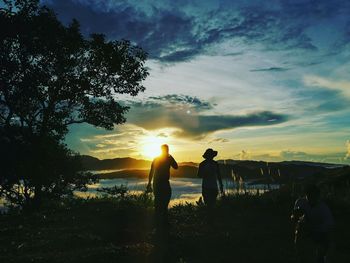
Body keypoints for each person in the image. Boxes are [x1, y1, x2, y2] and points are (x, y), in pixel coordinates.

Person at [146, 144, 178, 227]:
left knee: (161, 201)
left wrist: (149, 183)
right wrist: (149, 183)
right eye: (166, 149)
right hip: (160, 183)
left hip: (160, 182)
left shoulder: (161, 159)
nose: (167, 151)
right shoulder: (166, 159)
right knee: (161, 201)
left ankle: (160, 221)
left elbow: (175, 167)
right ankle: (161, 222)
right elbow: (176, 167)